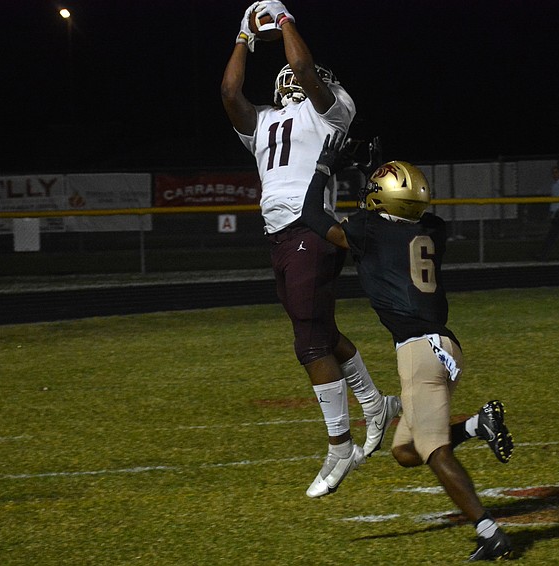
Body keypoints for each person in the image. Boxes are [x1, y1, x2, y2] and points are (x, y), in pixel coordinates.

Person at [300, 133, 516, 561]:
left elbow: (311, 216)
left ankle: (490, 532)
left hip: (419, 352)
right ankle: (477, 426)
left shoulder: (369, 231)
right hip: (446, 346)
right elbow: (396, 216)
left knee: (433, 452)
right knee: (404, 451)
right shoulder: (434, 229)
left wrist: (325, 169)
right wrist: (372, 175)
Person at [221, 0, 400, 499]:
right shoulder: (263, 123)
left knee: (309, 341)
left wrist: (284, 21)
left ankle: (340, 446)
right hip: (278, 234)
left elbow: (300, 65)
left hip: (311, 230)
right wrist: (242, 36)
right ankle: (375, 403)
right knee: (320, 327)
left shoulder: (332, 111)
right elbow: (229, 90)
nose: (294, 78)